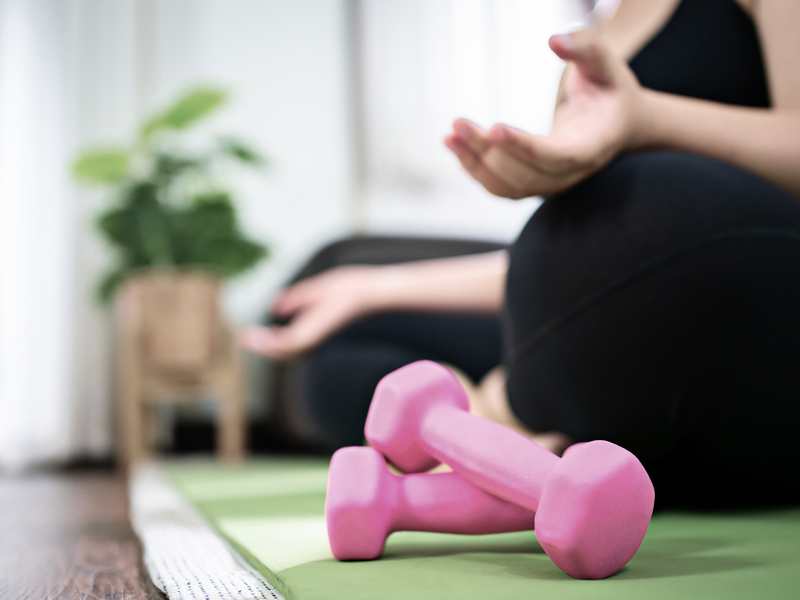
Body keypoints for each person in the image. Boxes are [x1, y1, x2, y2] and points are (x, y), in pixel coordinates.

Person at [242, 0, 800, 507]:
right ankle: (514, 441)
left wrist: (647, 120)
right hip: (617, 311)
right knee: (340, 356)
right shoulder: (596, 37)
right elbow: (576, 264)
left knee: (651, 208)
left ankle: (498, 429)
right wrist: (376, 288)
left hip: (738, 312)